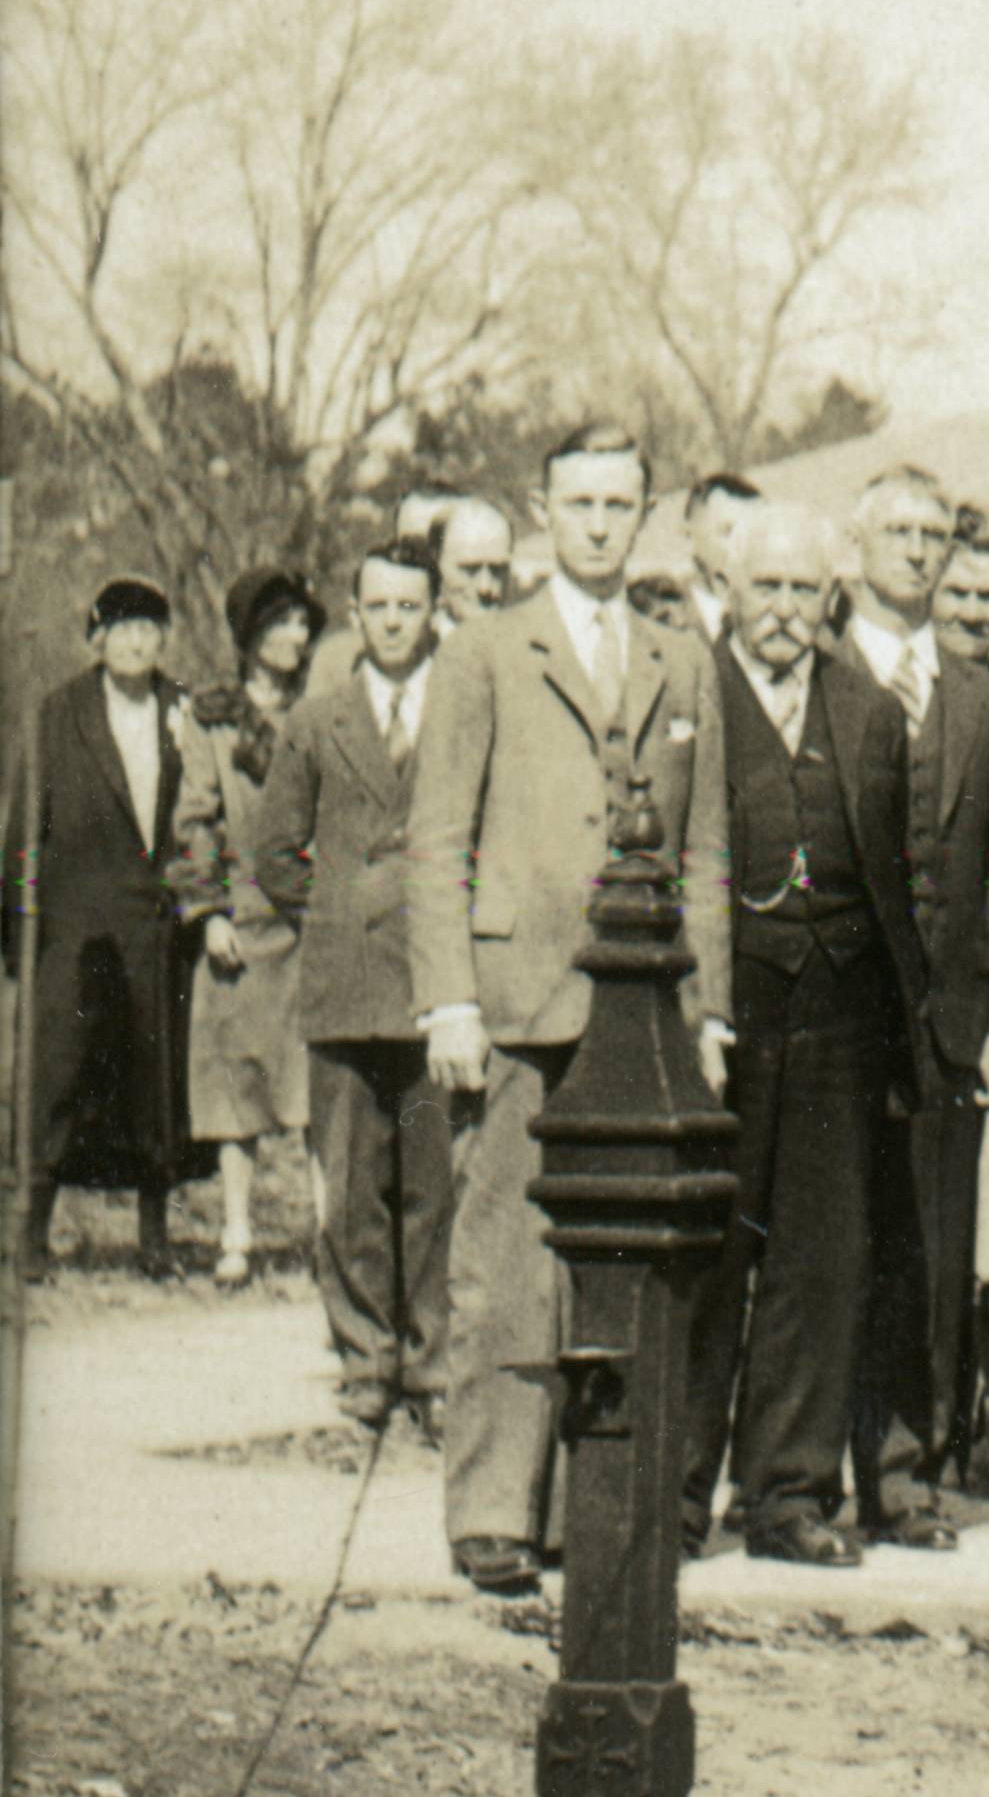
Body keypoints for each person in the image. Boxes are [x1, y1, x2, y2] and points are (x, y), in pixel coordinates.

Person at [408, 445, 737, 1592]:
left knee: (621, 1264)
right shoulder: (484, 650)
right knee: (505, 1259)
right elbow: (440, 837)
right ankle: (492, 1509)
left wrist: (708, 1009)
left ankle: (581, 1509)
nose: (600, 525)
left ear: (646, 516)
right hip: (515, 999)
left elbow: (705, 850)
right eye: (580, 505)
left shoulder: (679, 658)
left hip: (638, 1007)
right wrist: (448, 995)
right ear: (547, 515)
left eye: (619, 506)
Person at [672, 504, 922, 1563]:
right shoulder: (688, 692)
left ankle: (787, 1493)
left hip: (838, 1018)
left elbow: (898, 870)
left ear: (831, 597)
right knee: (711, 1253)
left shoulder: (865, 709)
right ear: (729, 588)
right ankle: (675, 1492)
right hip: (727, 1012)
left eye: (799, 591)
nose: (780, 611)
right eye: (761, 587)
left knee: (822, 1259)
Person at [239, 534, 458, 1438]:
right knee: (354, 1181)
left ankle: (434, 1359)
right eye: (380, 606)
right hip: (343, 985)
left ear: (434, 612)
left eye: (413, 605)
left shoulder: (462, 706)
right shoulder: (317, 719)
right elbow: (272, 850)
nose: (396, 621)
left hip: (439, 985)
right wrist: (335, 910)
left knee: (433, 1183)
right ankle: (366, 1357)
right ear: (357, 615)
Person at [847, 466, 989, 1532]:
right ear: (857, 547)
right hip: (830, 1010)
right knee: (830, 1249)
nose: (916, 552)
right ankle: (805, 1465)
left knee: (928, 1251)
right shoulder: (811, 671)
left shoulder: (988, 703)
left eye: (931, 534)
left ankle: (906, 1466)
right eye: (897, 533)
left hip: (949, 1022)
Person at [29, 575, 205, 1271]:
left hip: (154, 925)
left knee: (154, 1081)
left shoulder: (185, 709)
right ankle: (31, 1231)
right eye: (122, 628)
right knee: (57, 1076)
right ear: (97, 639)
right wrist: (19, 932)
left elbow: (206, 817)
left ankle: (154, 1235)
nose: (136, 642)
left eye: (150, 629)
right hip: (73, 926)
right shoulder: (57, 712)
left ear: (164, 640)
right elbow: (25, 829)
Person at [179, 578, 322, 1286]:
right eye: (281, 624)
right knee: (232, 1076)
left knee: (318, 1079)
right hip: (240, 916)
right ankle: (237, 1230)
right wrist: (208, 913)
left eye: (303, 624)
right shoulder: (212, 718)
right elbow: (196, 817)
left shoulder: (325, 705)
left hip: (310, 915)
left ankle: (328, 1229)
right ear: (251, 634)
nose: (295, 638)